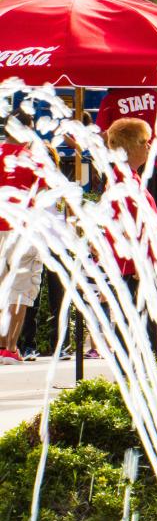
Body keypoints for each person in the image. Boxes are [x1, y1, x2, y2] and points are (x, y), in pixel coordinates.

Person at [103, 118, 157, 358]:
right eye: (143, 142)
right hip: (132, 268)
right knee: (139, 329)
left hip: (136, 267)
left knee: (143, 326)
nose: (149, 147)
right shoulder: (123, 182)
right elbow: (126, 226)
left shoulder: (129, 178)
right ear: (129, 148)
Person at [0, 129, 47, 364]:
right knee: (20, 291)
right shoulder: (32, 159)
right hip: (22, 229)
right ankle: (9, 347)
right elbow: (44, 193)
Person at [96, 88, 157, 223]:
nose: (148, 145)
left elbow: (99, 138)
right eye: (145, 142)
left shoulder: (110, 100)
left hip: (124, 165)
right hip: (153, 167)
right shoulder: (155, 97)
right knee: (154, 218)